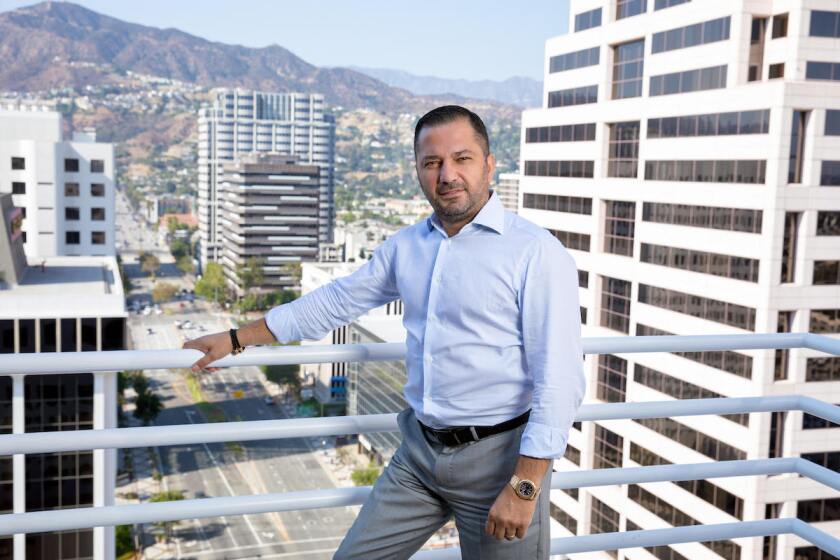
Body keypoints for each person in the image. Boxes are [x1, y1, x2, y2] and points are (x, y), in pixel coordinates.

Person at [183, 105, 586, 559]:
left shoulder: (535, 253)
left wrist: (525, 486)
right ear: (418, 170)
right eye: (432, 163)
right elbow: (335, 301)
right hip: (418, 456)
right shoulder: (407, 246)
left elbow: (560, 377)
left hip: (499, 461)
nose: (447, 174)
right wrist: (238, 338)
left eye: (462, 159)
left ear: (489, 164)